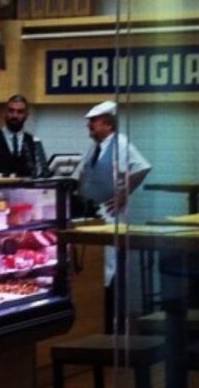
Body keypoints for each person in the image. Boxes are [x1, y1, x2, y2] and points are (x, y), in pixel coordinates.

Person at [74, 100, 151, 333]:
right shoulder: (94, 149)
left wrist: (123, 194)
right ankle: (100, 323)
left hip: (111, 216)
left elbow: (142, 167)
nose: (89, 125)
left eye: (93, 122)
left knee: (112, 270)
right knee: (99, 271)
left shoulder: (121, 144)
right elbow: (80, 174)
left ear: (107, 124)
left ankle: (113, 326)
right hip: (94, 217)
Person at [0, 94, 50, 178]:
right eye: (11, 111)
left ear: (27, 115)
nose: (14, 115)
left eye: (20, 112)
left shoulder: (34, 141)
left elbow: (42, 174)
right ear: (5, 113)